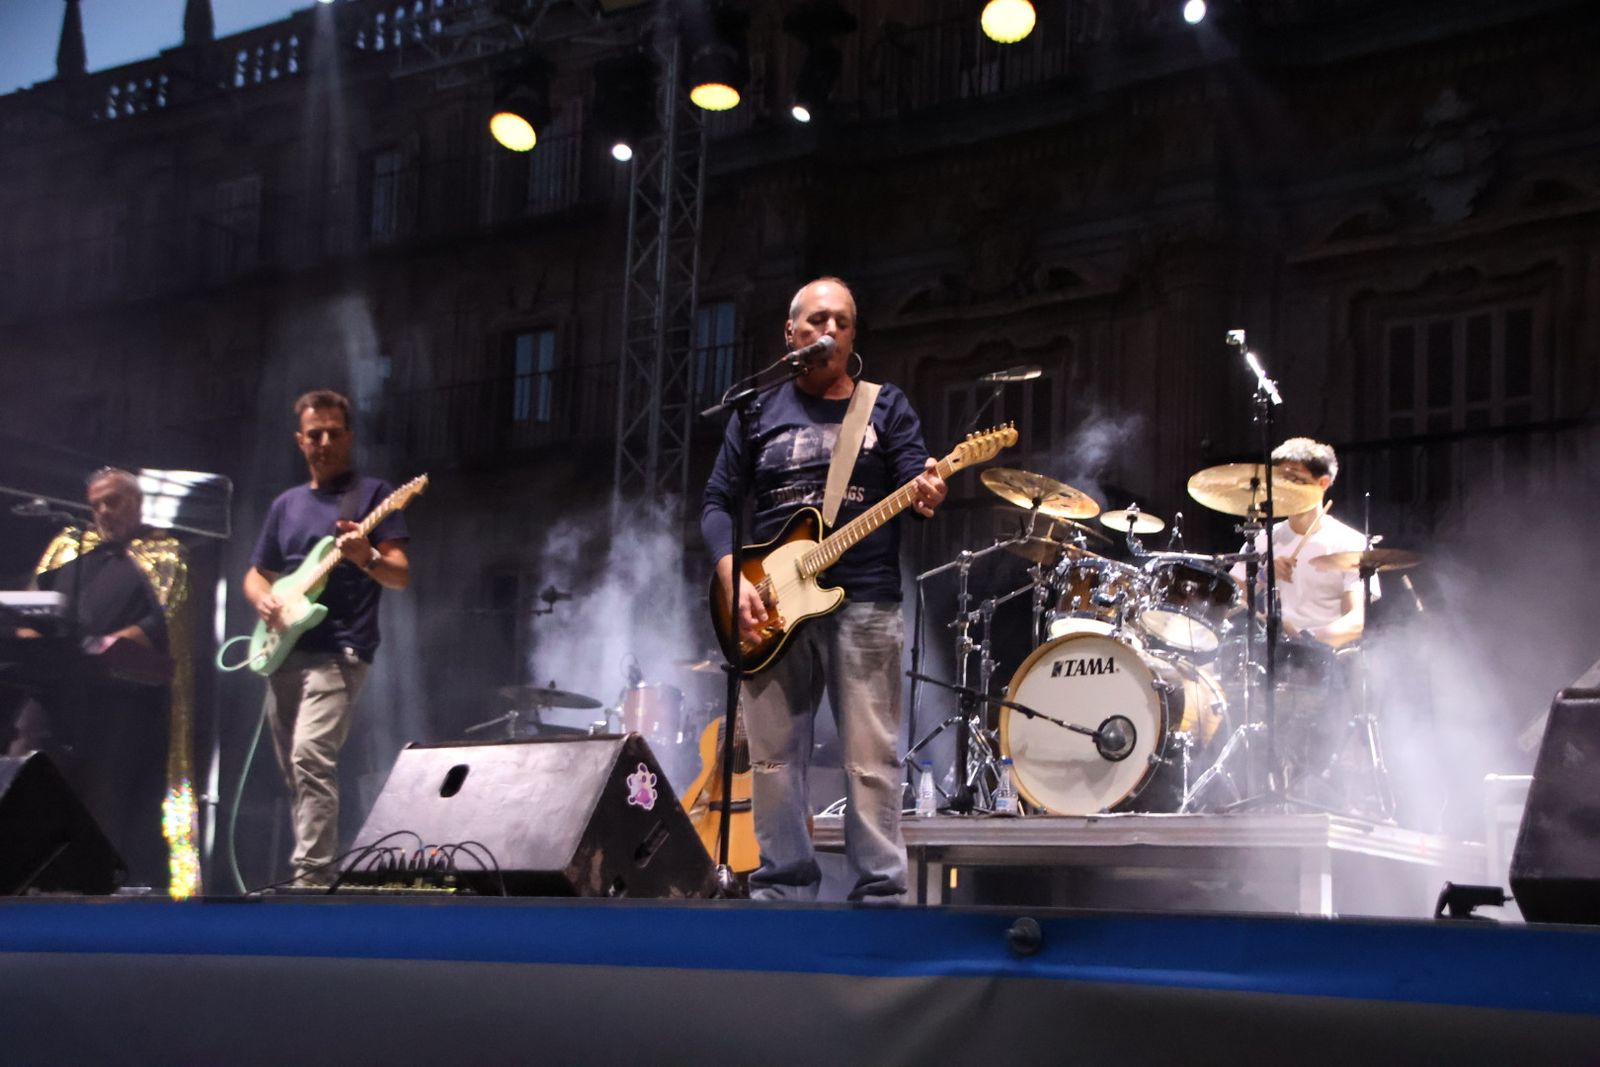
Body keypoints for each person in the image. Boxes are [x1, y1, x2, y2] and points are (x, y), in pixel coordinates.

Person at [700, 277, 947, 903]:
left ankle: (882, 897)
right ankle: (783, 892)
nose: (828, 331)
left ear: (854, 334)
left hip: (863, 601)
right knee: (775, 764)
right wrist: (733, 576)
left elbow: (919, 491)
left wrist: (929, 492)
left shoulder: (885, 407)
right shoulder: (754, 410)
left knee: (871, 762)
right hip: (769, 605)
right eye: (815, 321)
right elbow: (716, 504)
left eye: (841, 321)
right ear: (791, 334)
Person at [245, 390, 411, 886]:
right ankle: (317, 867)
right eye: (314, 434)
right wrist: (264, 600)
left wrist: (366, 556)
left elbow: (400, 574)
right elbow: (257, 573)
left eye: (334, 432)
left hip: (342, 649)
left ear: (349, 436)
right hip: (285, 649)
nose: (324, 441)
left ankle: (312, 878)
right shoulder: (286, 505)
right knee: (296, 772)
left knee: (311, 755)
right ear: (300, 441)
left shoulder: (374, 495)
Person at [9, 468, 189, 889]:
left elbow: (163, 621)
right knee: (27, 775)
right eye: (97, 505)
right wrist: (31, 639)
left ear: (138, 503)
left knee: (103, 798)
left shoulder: (163, 552)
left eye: (114, 502)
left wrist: (106, 646)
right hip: (55, 692)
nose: (105, 512)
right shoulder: (70, 548)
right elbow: (33, 609)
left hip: (119, 699)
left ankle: (96, 890)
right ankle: (25, 880)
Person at [1230, 437, 1379, 647]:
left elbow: (1356, 621)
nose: (1286, 488)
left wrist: (1301, 640)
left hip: (1328, 661)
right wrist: (1265, 575)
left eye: (1296, 480)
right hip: (1271, 655)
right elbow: (1229, 602)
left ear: (1323, 483)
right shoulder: (1263, 540)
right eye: (1280, 481)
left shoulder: (1350, 543)